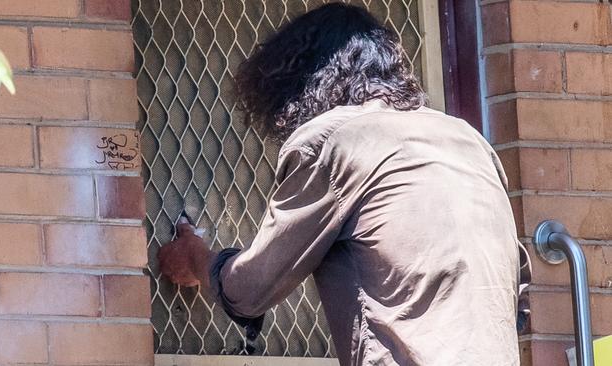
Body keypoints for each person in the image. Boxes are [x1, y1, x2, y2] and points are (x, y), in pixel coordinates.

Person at [158, 3, 531, 365]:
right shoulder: (467, 140)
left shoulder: (333, 140)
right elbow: (520, 292)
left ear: (297, 86)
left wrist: (196, 257)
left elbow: (250, 289)